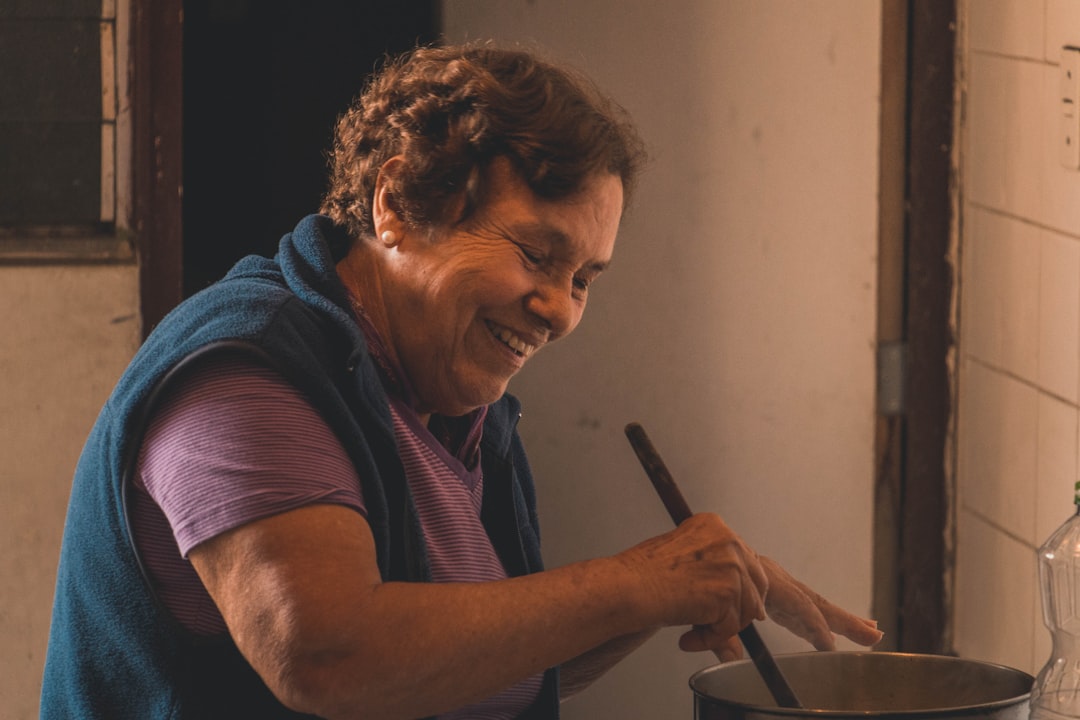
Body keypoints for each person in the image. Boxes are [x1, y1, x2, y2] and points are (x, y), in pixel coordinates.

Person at [41, 42, 882, 719]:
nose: (557, 309)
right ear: (396, 203)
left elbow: (472, 666)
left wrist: (660, 596)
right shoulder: (248, 376)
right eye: (536, 255)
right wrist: (640, 580)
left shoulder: (451, 403)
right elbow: (332, 658)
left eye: (586, 278)